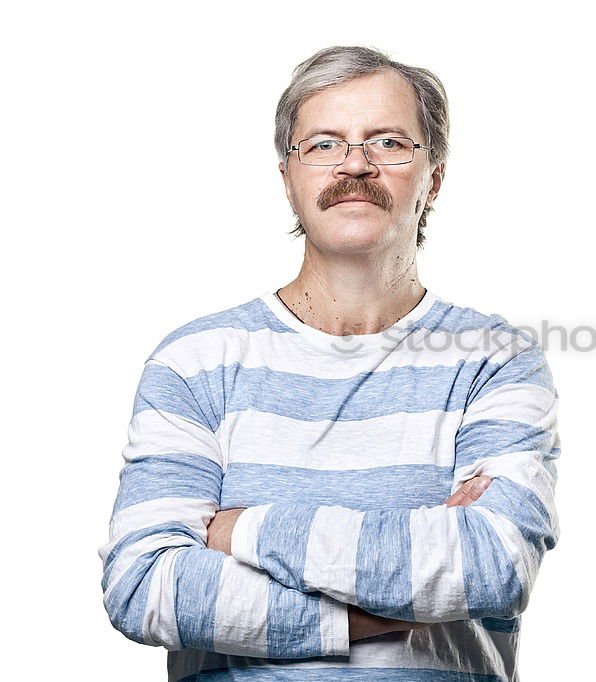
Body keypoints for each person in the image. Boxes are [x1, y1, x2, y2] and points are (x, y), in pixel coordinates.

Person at [98, 45, 561, 681]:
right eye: (323, 144)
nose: (355, 165)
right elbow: (144, 587)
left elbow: (492, 565)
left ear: (435, 178)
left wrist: (238, 532)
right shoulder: (196, 362)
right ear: (288, 177)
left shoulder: (495, 359)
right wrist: (395, 603)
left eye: (389, 142)